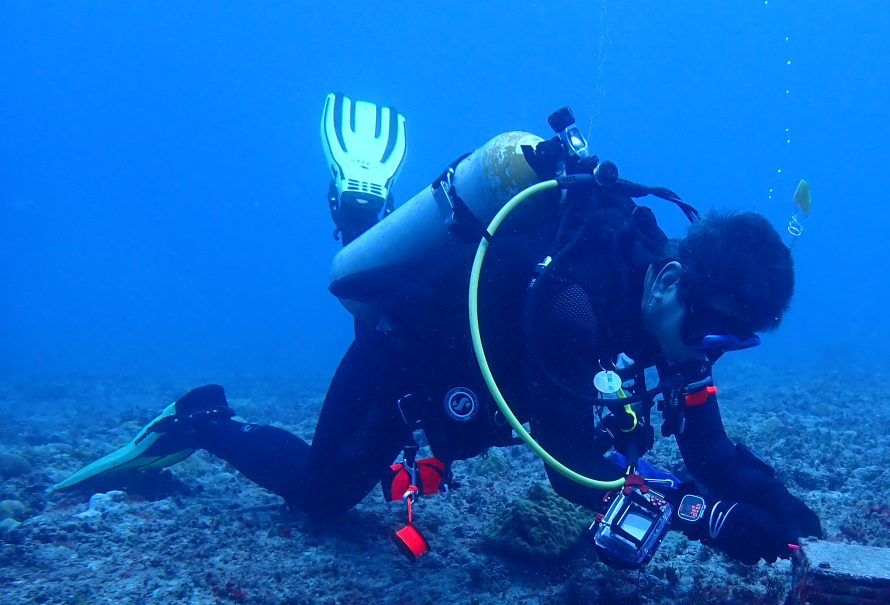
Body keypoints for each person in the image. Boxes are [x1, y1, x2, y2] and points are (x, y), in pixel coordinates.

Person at [57, 98, 822, 566]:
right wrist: (709, 518)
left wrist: (778, 507)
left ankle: (367, 211)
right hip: (409, 357)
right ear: (673, 281)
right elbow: (571, 467)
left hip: (488, 366)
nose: (708, 358)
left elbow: (708, 447)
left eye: (732, 346)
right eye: (715, 339)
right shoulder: (573, 303)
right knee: (324, 497)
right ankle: (202, 420)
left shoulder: (675, 314)